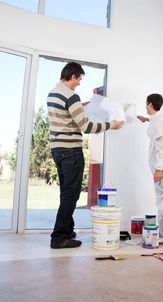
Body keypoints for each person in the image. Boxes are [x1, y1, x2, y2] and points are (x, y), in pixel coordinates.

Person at [47, 62, 123, 249]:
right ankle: (58, 238)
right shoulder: (71, 96)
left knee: (66, 192)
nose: (79, 83)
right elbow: (87, 126)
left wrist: (81, 106)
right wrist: (112, 125)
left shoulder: (53, 93)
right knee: (71, 194)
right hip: (71, 150)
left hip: (57, 149)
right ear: (72, 76)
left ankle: (67, 230)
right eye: (79, 79)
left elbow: (65, 114)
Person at [137, 93, 163, 240]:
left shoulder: (158, 121)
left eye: (146, 104)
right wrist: (147, 119)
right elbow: (160, 128)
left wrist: (159, 168)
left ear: (150, 104)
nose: (145, 106)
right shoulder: (159, 118)